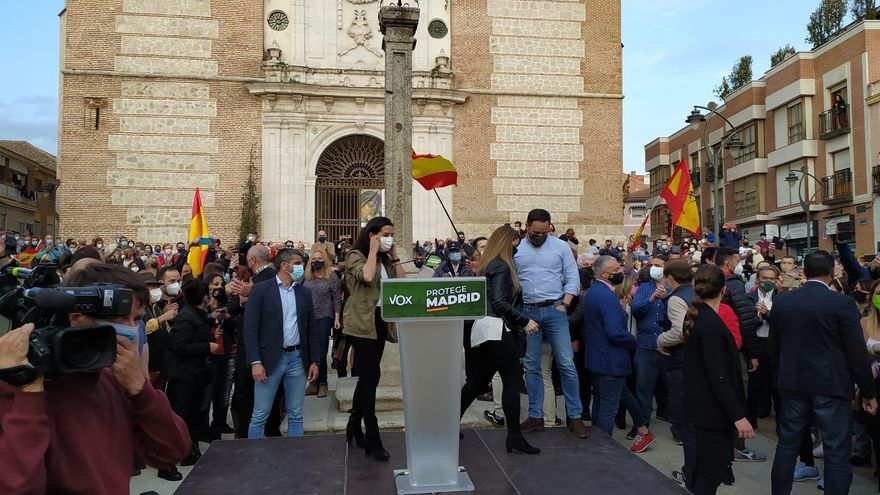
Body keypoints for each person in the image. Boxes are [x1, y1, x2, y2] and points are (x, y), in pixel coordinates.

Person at [0, 263, 190, 494]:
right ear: (77, 316)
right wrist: (27, 395)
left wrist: (141, 390)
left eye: (137, 319)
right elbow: (17, 486)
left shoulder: (114, 379)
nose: (132, 330)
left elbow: (171, 450)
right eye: (121, 318)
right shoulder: (22, 388)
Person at [769, 250, 877, 495]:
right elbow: (856, 351)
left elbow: (774, 347)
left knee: (787, 445)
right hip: (832, 385)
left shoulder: (783, 301)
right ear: (831, 273)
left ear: (804, 272)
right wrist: (868, 393)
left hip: (793, 383)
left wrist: (780, 380)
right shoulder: (841, 303)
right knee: (836, 450)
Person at [460, 226, 540, 455]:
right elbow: (499, 302)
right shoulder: (502, 266)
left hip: (484, 328)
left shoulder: (492, 265)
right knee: (512, 382)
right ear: (510, 242)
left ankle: (446, 424)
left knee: (477, 381)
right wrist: (524, 321)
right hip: (497, 328)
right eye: (518, 241)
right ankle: (514, 436)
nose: (520, 246)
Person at [514, 209, 589, 439]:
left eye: (544, 232)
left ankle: (574, 416)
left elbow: (572, 275)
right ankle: (536, 415)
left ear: (549, 228)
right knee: (531, 365)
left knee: (566, 363)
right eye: (536, 232)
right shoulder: (516, 249)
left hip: (555, 308)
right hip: (528, 311)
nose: (539, 236)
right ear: (527, 226)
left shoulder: (560, 246)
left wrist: (565, 304)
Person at [683, 265, 754, 495]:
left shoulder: (701, 317)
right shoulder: (710, 324)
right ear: (724, 290)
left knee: (703, 472)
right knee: (710, 475)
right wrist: (738, 416)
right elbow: (718, 375)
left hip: (703, 408)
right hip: (712, 412)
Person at [342, 217, 406, 461]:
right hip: (361, 322)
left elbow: (401, 282)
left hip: (380, 320)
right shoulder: (356, 256)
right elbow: (366, 277)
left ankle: (353, 423)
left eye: (392, 234)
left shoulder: (384, 260)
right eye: (386, 234)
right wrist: (372, 250)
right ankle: (372, 436)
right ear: (372, 235)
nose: (390, 238)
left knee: (370, 376)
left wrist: (395, 256)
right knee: (371, 377)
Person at [245, 248, 320, 438]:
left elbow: (311, 328)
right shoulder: (261, 290)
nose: (301, 267)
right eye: (297, 263)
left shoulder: (304, 293)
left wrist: (314, 360)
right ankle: (255, 460)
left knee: (296, 414)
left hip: (297, 358)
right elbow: (250, 329)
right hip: (270, 359)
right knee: (260, 414)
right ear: (285, 266)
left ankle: (295, 459)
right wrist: (255, 362)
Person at [583, 255, 654, 451]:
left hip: (600, 358)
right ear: (605, 274)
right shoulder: (605, 296)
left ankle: (642, 430)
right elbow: (614, 331)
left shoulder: (594, 292)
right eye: (617, 270)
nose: (622, 272)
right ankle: (602, 447)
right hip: (610, 359)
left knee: (605, 400)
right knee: (607, 406)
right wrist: (635, 341)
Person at [229, 244, 282, 439]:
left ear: (252, 261)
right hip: (255, 345)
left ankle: (252, 434)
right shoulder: (256, 280)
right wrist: (241, 299)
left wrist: (249, 292)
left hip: (258, 347)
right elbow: (237, 304)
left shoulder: (267, 278)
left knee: (252, 395)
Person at [166, 278, 220, 466]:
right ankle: (171, 460)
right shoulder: (187, 316)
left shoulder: (198, 314)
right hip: (183, 376)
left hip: (195, 374)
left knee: (193, 415)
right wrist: (207, 346)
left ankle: (191, 451)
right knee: (181, 417)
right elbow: (179, 346)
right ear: (205, 297)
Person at [656, 260, 696, 487]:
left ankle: (690, 476)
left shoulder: (676, 298)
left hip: (681, 362)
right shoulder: (695, 293)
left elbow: (680, 331)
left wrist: (660, 340)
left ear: (670, 278)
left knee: (686, 424)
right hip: (695, 361)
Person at [630, 255, 668, 439]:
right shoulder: (645, 288)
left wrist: (667, 298)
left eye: (659, 265)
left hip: (668, 346)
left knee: (673, 389)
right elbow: (636, 310)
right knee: (643, 388)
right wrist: (651, 298)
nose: (654, 268)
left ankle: (679, 427)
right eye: (652, 265)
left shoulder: (673, 289)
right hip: (645, 345)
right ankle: (641, 425)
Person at [303, 248, 342, 398]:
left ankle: (323, 383)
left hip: (325, 316)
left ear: (324, 260)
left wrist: (337, 318)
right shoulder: (306, 277)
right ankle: (313, 382)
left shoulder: (331, 277)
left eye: (319, 258)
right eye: (313, 259)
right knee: (309, 350)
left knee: (320, 351)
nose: (316, 261)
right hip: (308, 318)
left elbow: (336, 299)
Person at [749, 265, 780, 421]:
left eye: (772, 279)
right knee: (757, 381)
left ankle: (780, 415)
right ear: (757, 279)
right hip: (757, 342)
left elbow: (783, 322)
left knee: (776, 381)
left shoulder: (781, 297)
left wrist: (766, 314)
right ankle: (761, 409)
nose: (768, 281)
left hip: (774, 344)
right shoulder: (749, 296)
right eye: (765, 278)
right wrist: (756, 320)